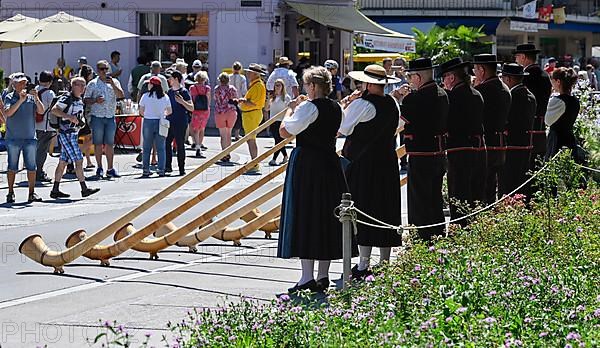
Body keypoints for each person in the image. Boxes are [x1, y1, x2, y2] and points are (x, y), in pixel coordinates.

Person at [278, 66, 348, 293]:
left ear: (314, 86)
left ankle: (307, 276)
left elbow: (285, 131)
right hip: (329, 162)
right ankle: (323, 275)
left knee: (305, 214)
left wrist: (290, 110)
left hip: (308, 164)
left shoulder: (308, 107)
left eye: (307, 85)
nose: (305, 88)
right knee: (326, 215)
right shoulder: (336, 107)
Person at [339, 64, 402, 278]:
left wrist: (348, 103)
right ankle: (385, 262)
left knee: (364, 207)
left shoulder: (362, 104)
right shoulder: (392, 102)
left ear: (367, 83)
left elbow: (343, 128)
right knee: (386, 208)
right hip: (387, 160)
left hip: (364, 163)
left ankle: (364, 264)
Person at [394, 58, 449, 241]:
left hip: (420, 154)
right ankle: (438, 235)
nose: (409, 80)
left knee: (419, 200)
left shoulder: (414, 98)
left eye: (410, 76)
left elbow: (398, 123)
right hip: (439, 153)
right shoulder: (443, 93)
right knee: (435, 198)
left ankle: (421, 239)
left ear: (418, 77)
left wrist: (397, 98)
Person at [440, 57, 485, 222]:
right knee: (475, 193)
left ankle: (458, 230)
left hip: (458, 150)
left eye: (444, 77)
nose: (443, 82)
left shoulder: (450, 97)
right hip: (478, 150)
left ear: (451, 77)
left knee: (458, 194)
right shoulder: (477, 94)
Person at [49, 77, 100, 199]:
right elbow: (54, 110)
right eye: (81, 85)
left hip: (73, 133)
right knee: (78, 159)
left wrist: (80, 122)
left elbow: (79, 115)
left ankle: (55, 190)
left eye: (84, 85)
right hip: (66, 134)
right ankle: (84, 188)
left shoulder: (79, 100)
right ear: (74, 85)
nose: (83, 88)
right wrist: (68, 117)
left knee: (63, 162)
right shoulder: (67, 98)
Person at [472, 54, 511, 203]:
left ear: (481, 70)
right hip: (501, 142)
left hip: (486, 144)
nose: (474, 73)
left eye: (475, 69)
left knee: (483, 186)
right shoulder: (505, 88)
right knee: (494, 186)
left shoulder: (482, 90)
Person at [3, 72, 45, 203]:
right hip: (13, 138)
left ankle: (32, 193)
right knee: (12, 167)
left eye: (24, 83)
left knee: (32, 167)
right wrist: (20, 100)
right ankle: (10, 192)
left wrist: (37, 98)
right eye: (20, 83)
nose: (23, 85)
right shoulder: (9, 97)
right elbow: (8, 113)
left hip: (29, 137)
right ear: (14, 85)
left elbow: (41, 111)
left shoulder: (31, 98)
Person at [498, 63, 536, 196]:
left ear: (508, 79)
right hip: (526, 144)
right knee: (521, 181)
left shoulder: (511, 96)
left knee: (509, 182)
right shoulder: (530, 95)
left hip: (512, 145)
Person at [84, 59, 125, 178]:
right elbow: (86, 99)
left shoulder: (114, 82)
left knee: (110, 144)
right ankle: (99, 167)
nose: (104, 71)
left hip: (110, 116)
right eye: (102, 69)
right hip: (97, 116)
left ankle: (110, 168)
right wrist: (95, 100)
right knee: (98, 144)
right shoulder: (93, 83)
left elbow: (121, 95)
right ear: (97, 70)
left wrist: (112, 84)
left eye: (106, 69)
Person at [513, 44, 552, 170]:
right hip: (541, 123)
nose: (516, 60)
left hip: (528, 125)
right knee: (538, 163)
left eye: (517, 56)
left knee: (526, 164)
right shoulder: (544, 75)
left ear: (524, 57)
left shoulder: (527, 76)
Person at [236, 63, 267, 174]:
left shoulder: (258, 85)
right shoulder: (255, 84)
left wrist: (243, 101)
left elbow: (254, 103)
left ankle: (255, 163)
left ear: (255, 74)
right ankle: (254, 162)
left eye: (249, 72)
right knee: (250, 139)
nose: (247, 74)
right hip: (250, 114)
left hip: (252, 114)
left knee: (251, 139)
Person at [139, 76, 172, 177]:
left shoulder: (145, 96)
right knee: (161, 147)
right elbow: (170, 111)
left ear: (152, 85)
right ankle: (161, 169)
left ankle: (145, 169)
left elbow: (141, 111)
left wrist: (147, 114)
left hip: (148, 121)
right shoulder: (165, 97)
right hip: (161, 122)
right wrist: (162, 114)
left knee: (146, 147)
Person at [545, 67, 580, 161]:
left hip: (557, 140)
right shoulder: (575, 100)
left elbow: (547, 121)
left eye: (552, 81)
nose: (551, 84)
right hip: (569, 138)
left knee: (554, 167)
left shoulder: (558, 101)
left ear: (558, 81)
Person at [165, 70, 194, 176]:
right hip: (170, 121)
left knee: (180, 144)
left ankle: (181, 168)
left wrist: (182, 102)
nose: (169, 80)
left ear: (176, 79)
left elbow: (191, 108)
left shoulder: (184, 92)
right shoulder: (169, 92)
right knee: (167, 143)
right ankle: (168, 166)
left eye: (171, 78)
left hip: (181, 121)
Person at [34, 70, 57, 183]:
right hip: (46, 125)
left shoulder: (33, 91)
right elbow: (54, 109)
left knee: (34, 149)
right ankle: (39, 172)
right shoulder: (50, 93)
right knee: (42, 151)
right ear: (50, 82)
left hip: (33, 125)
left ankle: (32, 170)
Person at [265, 79, 291, 166]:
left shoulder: (286, 97)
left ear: (282, 87)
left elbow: (289, 109)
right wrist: (268, 99)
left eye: (279, 85)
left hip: (281, 121)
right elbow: (266, 109)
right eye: (276, 85)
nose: (277, 87)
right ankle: (285, 156)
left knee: (278, 140)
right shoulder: (273, 97)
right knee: (278, 140)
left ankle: (274, 159)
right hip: (273, 120)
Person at [213, 72, 238, 162]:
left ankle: (224, 154)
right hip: (231, 112)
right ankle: (228, 153)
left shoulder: (217, 89)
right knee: (229, 133)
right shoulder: (232, 89)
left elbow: (215, 99)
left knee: (223, 135)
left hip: (220, 112)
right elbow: (236, 99)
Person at [189, 71, 211, 158]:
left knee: (195, 129)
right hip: (205, 110)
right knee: (202, 128)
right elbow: (208, 100)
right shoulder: (207, 88)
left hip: (195, 110)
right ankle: (200, 145)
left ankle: (197, 145)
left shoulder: (192, 88)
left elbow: (191, 99)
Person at [78, 64, 96, 169]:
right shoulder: (87, 86)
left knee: (85, 138)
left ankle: (88, 160)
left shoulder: (80, 83)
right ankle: (78, 156)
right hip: (86, 115)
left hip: (83, 115)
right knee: (89, 138)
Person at [229, 61, 247, 141]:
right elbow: (244, 90)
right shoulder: (242, 78)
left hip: (230, 99)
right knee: (238, 117)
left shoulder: (229, 77)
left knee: (229, 117)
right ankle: (237, 134)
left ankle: (229, 133)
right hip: (239, 99)